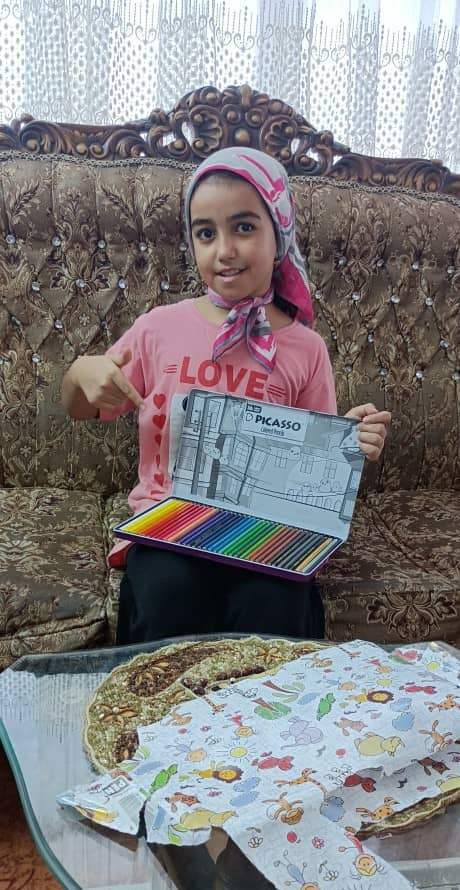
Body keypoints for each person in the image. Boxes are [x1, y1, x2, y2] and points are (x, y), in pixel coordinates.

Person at [61, 147, 391, 644]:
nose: (225, 250)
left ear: (278, 234)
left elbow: (311, 478)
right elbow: (80, 406)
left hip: (267, 530)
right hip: (169, 523)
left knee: (278, 606)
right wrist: (80, 373)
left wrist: (347, 443)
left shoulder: (306, 348)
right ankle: (155, 697)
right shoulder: (158, 328)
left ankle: (267, 699)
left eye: (244, 227)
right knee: (165, 596)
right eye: (205, 233)